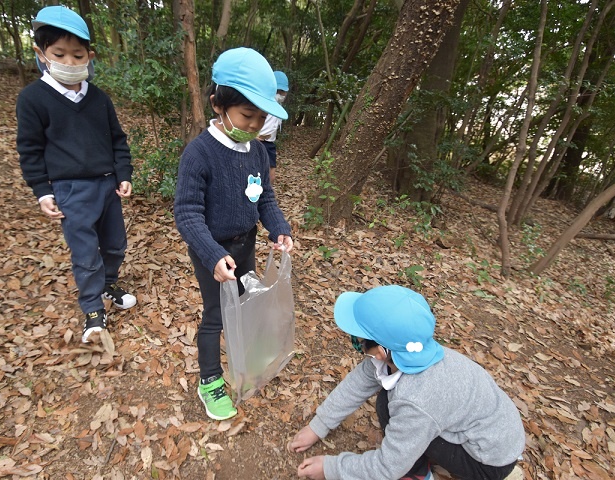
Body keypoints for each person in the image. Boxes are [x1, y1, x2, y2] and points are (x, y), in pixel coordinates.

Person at [289, 285, 525, 480]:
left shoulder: (416, 399)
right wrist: (317, 426)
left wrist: (331, 468)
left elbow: (388, 467)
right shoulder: (408, 353)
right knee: (387, 401)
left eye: (357, 340)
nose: (356, 344)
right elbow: (358, 383)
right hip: (490, 431)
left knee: (394, 409)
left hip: (487, 461)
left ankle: (419, 474)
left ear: (381, 350)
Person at [174, 47, 294, 421]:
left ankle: (246, 356)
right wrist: (212, 256)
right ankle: (209, 379)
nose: (255, 125)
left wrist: (279, 228)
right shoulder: (199, 154)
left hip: (246, 244)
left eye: (261, 118)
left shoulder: (256, 152)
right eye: (247, 115)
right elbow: (187, 213)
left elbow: (265, 199)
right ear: (218, 105)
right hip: (212, 251)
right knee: (216, 315)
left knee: (245, 303)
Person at [16, 6, 136, 344]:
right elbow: (30, 150)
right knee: (85, 253)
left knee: (114, 244)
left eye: (77, 54)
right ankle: (92, 308)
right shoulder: (33, 99)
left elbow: (117, 140)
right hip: (71, 190)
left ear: (89, 56)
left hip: (108, 186)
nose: (69, 62)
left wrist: (123, 173)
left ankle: (109, 282)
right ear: (41, 54)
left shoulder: (99, 99)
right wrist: (43, 191)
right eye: (59, 54)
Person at [258, 70, 289, 184]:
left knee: (271, 177)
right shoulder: (262, 103)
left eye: (282, 92)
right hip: (258, 141)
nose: (280, 94)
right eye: (277, 91)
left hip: (269, 144)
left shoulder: (279, 106)